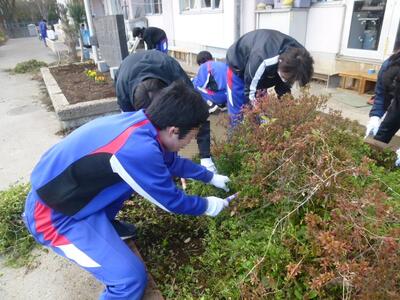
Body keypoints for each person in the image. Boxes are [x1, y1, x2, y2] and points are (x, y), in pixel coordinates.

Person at [23, 81, 231, 300]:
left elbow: (171, 164)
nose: (189, 142)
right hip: (52, 216)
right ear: (174, 130)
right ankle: (96, 232)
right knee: (129, 280)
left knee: (133, 178)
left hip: (71, 195)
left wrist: (210, 177)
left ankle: (105, 224)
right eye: (191, 136)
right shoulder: (137, 150)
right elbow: (171, 201)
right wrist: (208, 205)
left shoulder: (145, 125)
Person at [115, 50, 217, 173]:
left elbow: (199, 112)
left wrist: (205, 157)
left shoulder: (177, 79)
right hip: (126, 72)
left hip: (164, 67)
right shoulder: (124, 95)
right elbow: (133, 134)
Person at [225, 29, 314, 125]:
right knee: (238, 112)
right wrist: (261, 114)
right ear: (280, 62)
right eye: (285, 77)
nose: (288, 81)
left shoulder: (300, 58)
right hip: (238, 66)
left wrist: (288, 108)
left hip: (265, 69)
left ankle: (259, 130)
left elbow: (283, 87)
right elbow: (250, 92)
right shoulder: (261, 59)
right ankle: (234, 135)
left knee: (263, 109)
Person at [365, 50, 400, 166]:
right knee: (381, 135)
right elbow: (382, 95)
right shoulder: (388, 66)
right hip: (397, 105)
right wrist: (375, 116)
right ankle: (369, 164)